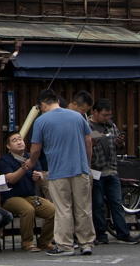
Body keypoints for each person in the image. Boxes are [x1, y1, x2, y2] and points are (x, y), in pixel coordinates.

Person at [28, 90, 96, 256]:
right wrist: (86, 163)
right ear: (57, 100)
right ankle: (86, 243)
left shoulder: (41, 121)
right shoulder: (77, 117)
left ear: (43, 104)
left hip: (58, 171)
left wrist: (31, 162)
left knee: (63, 209)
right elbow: (88, 142)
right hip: (80, 168)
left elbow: (36, 148)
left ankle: (65, 245)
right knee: (83, 208)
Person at [88, 99, 137, 245]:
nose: (107, 118)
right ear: (95, 112)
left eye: (109, 115)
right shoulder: (87, 126)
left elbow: (118, 147)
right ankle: (101, 234)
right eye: (104, 115)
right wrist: (93, 141)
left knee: (116, 202)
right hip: (95, 170)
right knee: (97, 204)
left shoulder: (111, 126)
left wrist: (119, 143)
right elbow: (87, 145)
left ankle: (123, 233)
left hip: (112, 169)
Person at [0, 131, 56, 252]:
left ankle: (44, 241)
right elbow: (11, 179)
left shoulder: (31, 157)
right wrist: (25, 167)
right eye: (14, 140)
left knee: (53, 210)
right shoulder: (4, 160)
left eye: (20, 139)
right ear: (8, 146)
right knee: (27, 210)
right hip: (11, 197)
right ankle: (27, 242)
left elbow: (40, 177)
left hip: (30, 196)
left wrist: (39, 176)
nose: (19, 142)